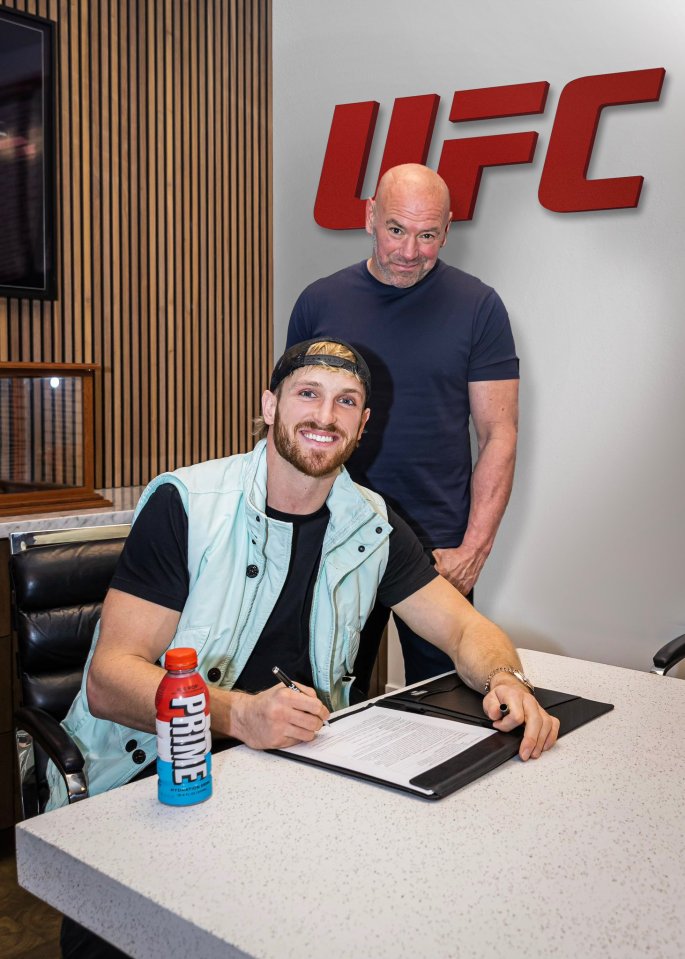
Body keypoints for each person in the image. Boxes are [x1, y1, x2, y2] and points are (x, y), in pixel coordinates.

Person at [287, 163, 519, 689]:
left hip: (439, 547)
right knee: (321, 705)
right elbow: (294, 428)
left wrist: (475, 549)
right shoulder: (319, 302)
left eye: (427, 235)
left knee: (448, 706)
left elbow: (498, 434)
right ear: (371, 216)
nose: (410, 251)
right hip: (334, 535)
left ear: (447, 229)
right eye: (396, 229)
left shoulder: (479, 307)